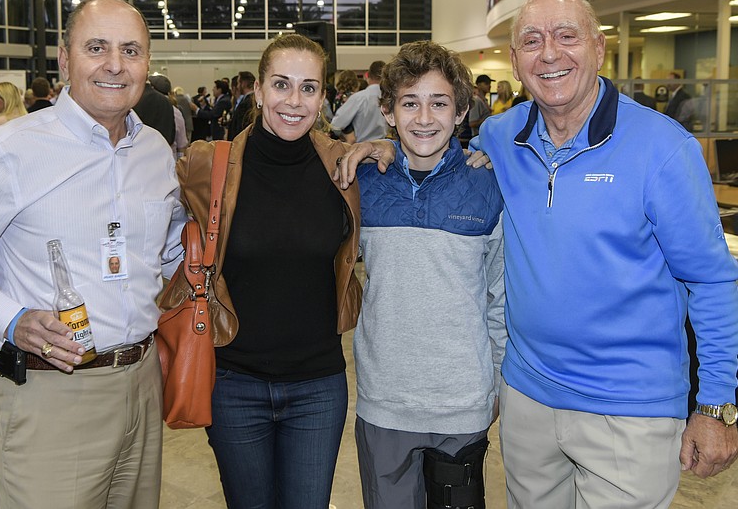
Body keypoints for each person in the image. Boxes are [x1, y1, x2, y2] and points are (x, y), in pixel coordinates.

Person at [337, 0, 738, 508]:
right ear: (515, 60)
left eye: (566, 36)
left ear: (599, 48)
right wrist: (385, 146)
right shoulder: (502, 138)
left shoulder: (663, 148)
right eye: (532, 40)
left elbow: (710, 281)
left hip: (628, 409)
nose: (549, 53)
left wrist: (715, 406)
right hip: (527, 402)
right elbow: (434, 154)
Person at [0, 0, 186, 509]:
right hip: (52, 392)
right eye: (96, 47)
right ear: (64, 58)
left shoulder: (153, 152)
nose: (115, 66)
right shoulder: (11, 151)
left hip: (143, 385)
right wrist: (11, 319)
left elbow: (166, 252)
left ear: (148, 62)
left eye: (131, 51)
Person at [178, 33, 361, 509]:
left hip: (318, 385)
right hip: (234, 383)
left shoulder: (344, 168)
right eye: (281, 84)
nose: (294, 101)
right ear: (257, 91)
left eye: (308, 88)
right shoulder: (208, 165)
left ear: (324, 97)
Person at [354, 40, 505, 509]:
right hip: (384, 400)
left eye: (439, 103)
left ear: (461, 111)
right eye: (409, 103)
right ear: (388, 112)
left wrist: (497, 382)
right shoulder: (363, 182)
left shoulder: (488, 185)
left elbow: (499, 298)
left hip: (461, 402)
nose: (424, 118)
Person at [330, 61, 389, 143]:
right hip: (383, 147)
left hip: (360, 148)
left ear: (368, 75)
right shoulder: (390, 99)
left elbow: (336, 124)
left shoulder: (359, 98)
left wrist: (347, 134)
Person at [134, 75, 176, 145]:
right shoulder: (166, 102)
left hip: (139, 150)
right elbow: (172, 133)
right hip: (164, 149)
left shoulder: (135, 99)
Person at [227, 71, 255, 140]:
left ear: (244, 83)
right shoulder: (250, 100)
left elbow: (240, 127)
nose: (237, 86)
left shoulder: (247, 103)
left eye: (239, 83)